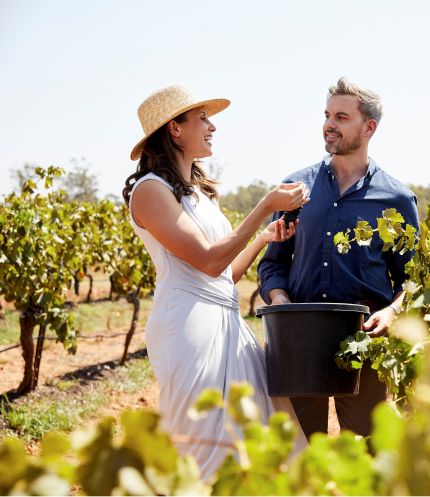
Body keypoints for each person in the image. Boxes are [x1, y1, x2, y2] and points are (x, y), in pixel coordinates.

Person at [123, 83, 308, 480]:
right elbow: (208, 261)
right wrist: (264, 206)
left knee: (263, 434)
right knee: (205, 447)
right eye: (202, 118)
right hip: (187, 329)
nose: (212, 127)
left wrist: (263, 237)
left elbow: (224, 276)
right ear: (174, 128)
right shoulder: (149, 191)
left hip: (226, 322)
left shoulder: (199, 193)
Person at [258, 77, 419, 438]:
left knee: (366, 453)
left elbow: (412, 279)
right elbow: (272, 263)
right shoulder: (295, 189)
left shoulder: (396, 199)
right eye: (328, 115)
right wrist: (281, 300)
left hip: (365, 345)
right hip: (299, 342)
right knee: (299, 455)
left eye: (342, 117)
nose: (330, 124)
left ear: (369, 127)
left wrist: (392, 312)